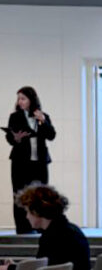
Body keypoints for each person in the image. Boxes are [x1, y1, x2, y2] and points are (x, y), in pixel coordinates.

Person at [0, 185, 91, 270]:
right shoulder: (68, 230)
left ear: (36, 211)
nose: (27, 217)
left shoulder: (56, 237)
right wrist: (16, 268)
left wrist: (8, 269)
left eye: (28, 212)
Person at [5, 87, 56, 235]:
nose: (19, 102)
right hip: (20, 162)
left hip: (39, 162)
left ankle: (40, 226)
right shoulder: (15, 117)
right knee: (19, 194)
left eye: (23, 98)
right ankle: (23, 228)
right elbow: (10, 138)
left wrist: (43, 121)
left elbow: (51, 135)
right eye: (18, 99)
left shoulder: (43, 116)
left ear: (31, 100)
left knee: (41, 195)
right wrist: (16, 138)